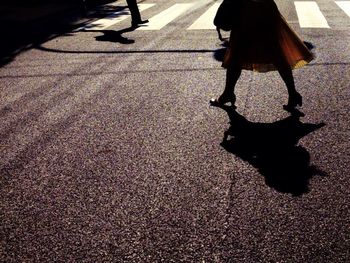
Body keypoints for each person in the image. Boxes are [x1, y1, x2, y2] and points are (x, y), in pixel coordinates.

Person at [210, 0, 314, 113]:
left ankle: (228, 93)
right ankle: (293, 93)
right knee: (275, 52)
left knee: (237, 53)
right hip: (265, 8)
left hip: (245, 10)